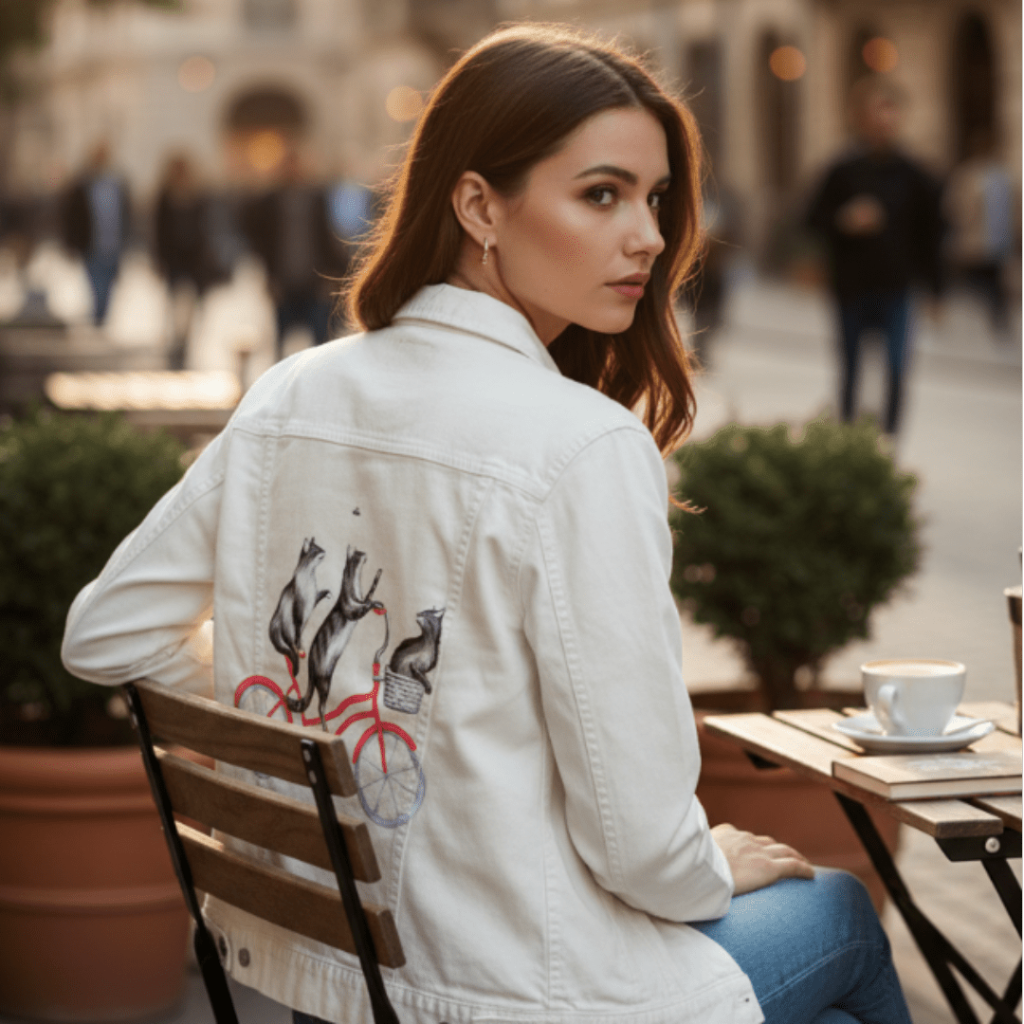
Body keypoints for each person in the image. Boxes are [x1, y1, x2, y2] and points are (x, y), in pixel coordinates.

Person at [62, 25, 911, 1024]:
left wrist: (324, 700)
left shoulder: (293, 390)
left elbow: (108, 629)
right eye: (600, 194)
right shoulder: (581, 445)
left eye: (654, 198)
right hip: (520, 990)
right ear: (477, 205)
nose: (644, 233)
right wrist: (708, 869)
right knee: (843, 911)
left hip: (331, 982)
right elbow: (642, 845)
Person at [806, 75, 945, 438]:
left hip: (897, 288)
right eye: (877, 111)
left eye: (891, 111)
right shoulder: (842, 169)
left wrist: (937, 291)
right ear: (860, 117)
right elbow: (811, 219)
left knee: (897, 368)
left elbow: (931, 234)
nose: (885, 120)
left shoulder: (914, 174)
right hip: (851, 287)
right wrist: (844, 220)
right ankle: (849, 442)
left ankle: (888, 445)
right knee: (851, 369)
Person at [244, 150, 350, 358]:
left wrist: (333, 274)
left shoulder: (316, 197)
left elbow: (326, 237)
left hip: (313, 280)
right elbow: (260, 239)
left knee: (320, 340)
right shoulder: (270, 201)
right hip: (284, 281)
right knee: (281, 339)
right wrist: (270, 275)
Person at [944, 128, 1019, 339]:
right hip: (978, 239)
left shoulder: (1003, 176)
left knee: (993, 282)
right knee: (978, 282)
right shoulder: (971, 174)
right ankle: (983, 323)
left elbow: (1015, 207)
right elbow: (955, 206)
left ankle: (997, 320)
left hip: (998, 238)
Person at [153, 153, 226, 368]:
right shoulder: (165, 197)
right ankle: (178, 345)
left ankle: (187, 343)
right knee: (176, 306)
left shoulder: (199, 196)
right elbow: (159, 232)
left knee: (193, 307)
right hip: (174, 263)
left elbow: (207, 229)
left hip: (195, 264)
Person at [61, 140, 131, 327]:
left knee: (108, 287)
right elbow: (72, 217)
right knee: (96, 287)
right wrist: (72, 242)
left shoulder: (117, 184)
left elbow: (125, 216)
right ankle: (98, 320)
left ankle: (101, 320)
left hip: (113, 246)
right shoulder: (82, 185)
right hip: (91, 245)